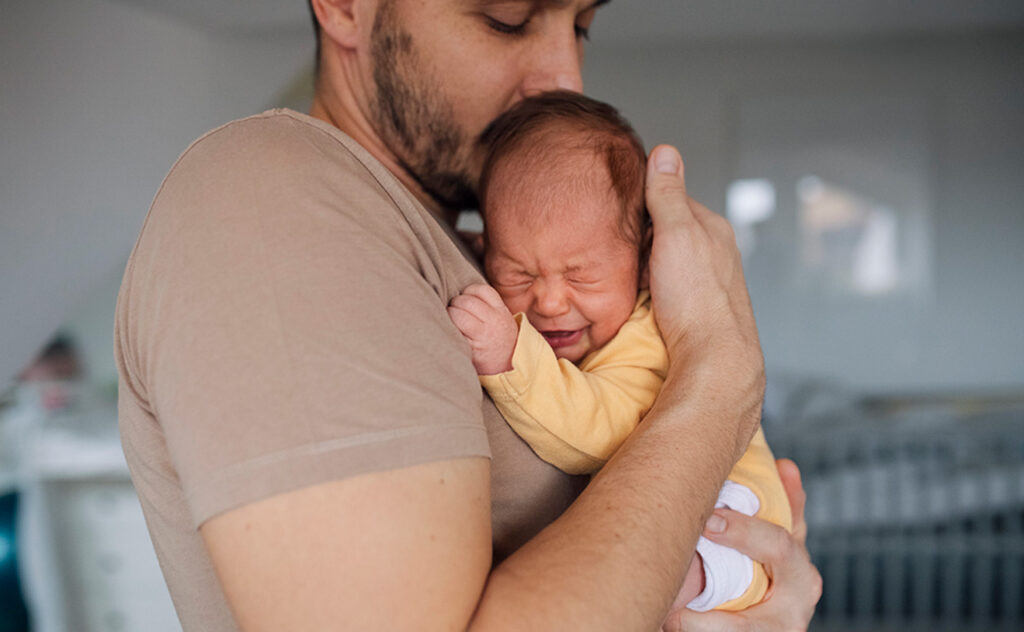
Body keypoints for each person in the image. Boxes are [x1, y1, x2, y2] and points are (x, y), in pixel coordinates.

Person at [114, 0, 821, 629]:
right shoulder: (272, 195)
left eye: (580, 25)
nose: (563, 76)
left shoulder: (446, 249)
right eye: (506, 18)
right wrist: (721, 374)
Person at [447, 91, 792, 613]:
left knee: (720, 550)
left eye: (581, 274)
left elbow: (599, 430)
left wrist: (511, 357)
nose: (550, 301)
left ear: (644, 260)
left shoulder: (647, 338)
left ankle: (681, 580)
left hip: (740, 522)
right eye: (517, 272)